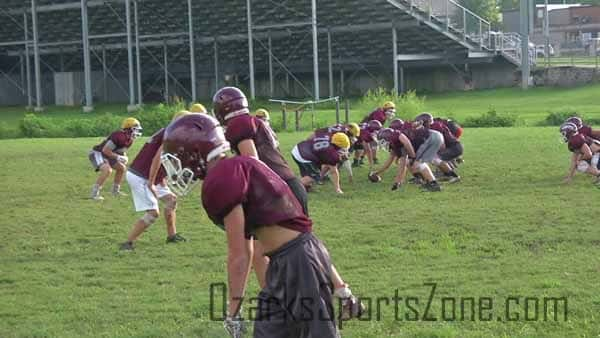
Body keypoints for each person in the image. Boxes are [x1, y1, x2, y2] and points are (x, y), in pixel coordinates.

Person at [161, 114, 350, 337]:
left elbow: (239, 254)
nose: (176, 166)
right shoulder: (240, 164)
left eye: (178, 157)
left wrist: (233, 311)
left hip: (296, 262)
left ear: (194, 151)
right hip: (291, 259)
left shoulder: (223, 176)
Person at [212, 87, 362, 316]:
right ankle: (345, 296)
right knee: (305, 246)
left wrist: (244, 188)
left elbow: (252, 161)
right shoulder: (256, 121)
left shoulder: (238, 125)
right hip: (287, 185)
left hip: (274, 192)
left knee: (264, 252)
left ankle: (276, 305)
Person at [119, 112, 189, 251]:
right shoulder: (170, 135)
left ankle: (172, 235)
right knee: (153, 213)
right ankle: (128, 243)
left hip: (147, 174)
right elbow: (158, 158)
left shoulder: (168, 131)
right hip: (141, 176)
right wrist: (151, 182)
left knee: (171, 200)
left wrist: (161, 178)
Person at [88, 117, 142, 200]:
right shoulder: (119, 136)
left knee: (121, 168)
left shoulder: (129, 140)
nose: (137, 132)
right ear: (129, 129)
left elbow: (120, 150)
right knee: (107, 170)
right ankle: (94, 193)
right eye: (135, 129)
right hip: (98, 153)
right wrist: (118, 157)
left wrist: (124, 157)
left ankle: (115, 191)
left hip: (108, 154)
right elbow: (105, 150)